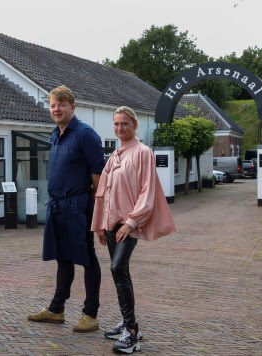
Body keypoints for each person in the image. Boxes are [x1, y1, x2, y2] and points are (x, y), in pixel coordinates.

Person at [91, 106, 176, 354]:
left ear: (134, 125)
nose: (120, 128)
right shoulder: (115, 155)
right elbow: (103, 193)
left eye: (125, 124)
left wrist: (132, 221)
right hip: (111, 224)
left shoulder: (143, 153)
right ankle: (127, 322)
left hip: (128, 224)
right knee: (121, 273)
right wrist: (100, 225)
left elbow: (147, 191)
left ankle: (132, 333)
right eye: (116, 124)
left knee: (117, 268)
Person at [28, 85, 105, 332]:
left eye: (61, 105)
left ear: (73, 107)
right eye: (53, 105)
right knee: (63, 257)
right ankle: (56, 309)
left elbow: (98, 175)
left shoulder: (86, 135)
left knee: (87, 257)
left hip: (78, 205)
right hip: (57, 205)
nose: (56, 109)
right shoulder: (54, 134)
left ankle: (90, 314)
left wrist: (96, 207)